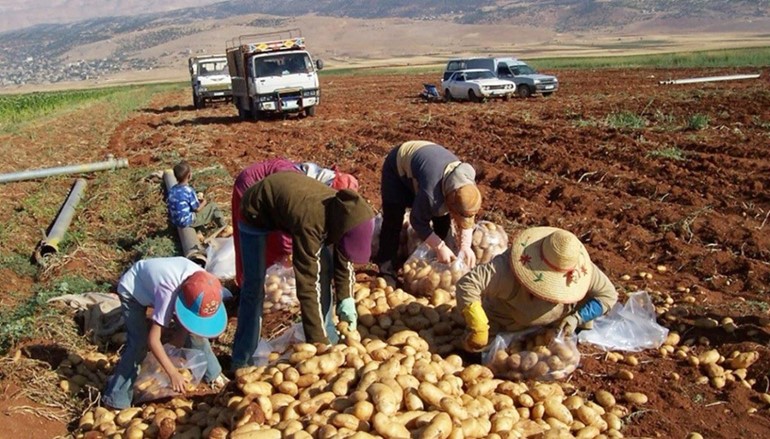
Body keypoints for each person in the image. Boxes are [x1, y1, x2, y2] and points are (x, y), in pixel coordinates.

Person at [231, 172, 375, 371]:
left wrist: (346, 298)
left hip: (288, 203)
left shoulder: (346, 216)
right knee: (254, 287)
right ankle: (242, 359)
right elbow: (307, 284)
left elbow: (344, 258)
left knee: (324, 268)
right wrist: (318, 344)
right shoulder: (312, 221)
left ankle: (329, 333)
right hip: (256, 210)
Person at [455, 226, 618, 352]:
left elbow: (608, 295)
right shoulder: (506, 268)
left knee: (557, 358)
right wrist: (479, 325)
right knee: (477, 349)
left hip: (557, 325)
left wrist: (577, 317)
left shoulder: (581, 269)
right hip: (508, 321)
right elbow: (468, 284)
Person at [102, 257, 229, 409]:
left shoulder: (206, 283)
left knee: (196, 334)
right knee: (138, 344)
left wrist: (176, 346)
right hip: (133, 290)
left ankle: (214, 376)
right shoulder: (167, 294)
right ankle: (116, 399)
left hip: (159, 281)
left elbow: (189, 324)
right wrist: (172, 373)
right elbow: (153, 341)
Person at [231, 157, 360, 286]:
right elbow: (288, 218)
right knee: (264, 241)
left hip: (277, 194)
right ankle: (255, 284)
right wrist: (290, 252)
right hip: (252, 185)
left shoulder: (318, 185)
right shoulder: (300, 188)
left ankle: (270, 280)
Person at [375, 140, 482, 286]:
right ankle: (387, 273)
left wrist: (465, 246)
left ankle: (448, 272)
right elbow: (417, 221)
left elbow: (467, 215)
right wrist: (439, 247)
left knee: (442, 222)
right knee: (393, 221)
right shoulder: (432, 194)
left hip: (427, 167)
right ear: (448, 200)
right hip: (397, 166)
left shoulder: (467, 185)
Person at [167, 161, 226, 231]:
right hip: (186, 222)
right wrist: (204, 202)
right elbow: (197, 209)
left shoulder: (172, 189)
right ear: (189, 176)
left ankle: (200, 231)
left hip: (175, 221)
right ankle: (224, 228)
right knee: (213, 206)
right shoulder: (188, 190)